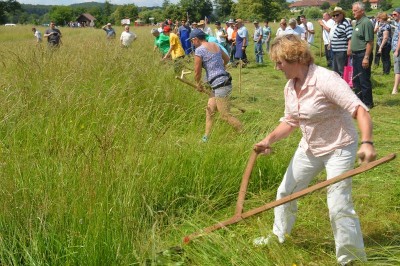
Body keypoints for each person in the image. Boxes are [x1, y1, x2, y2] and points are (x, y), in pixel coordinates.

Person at [253, 34, 376, 266]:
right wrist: (268, 139)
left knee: (338, 204)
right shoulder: (290, 87)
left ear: (295, 58)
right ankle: (279, 236)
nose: (277, 67)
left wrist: (367, 142)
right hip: (310, 147)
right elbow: (290, 122)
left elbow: (360, 110)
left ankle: (350, 259)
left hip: (339, 146)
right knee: (285, 192)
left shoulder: (325, 79)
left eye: (280, 62)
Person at [189, 29, 242, 142]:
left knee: (225, 115)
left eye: (192, 41)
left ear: (196, 39)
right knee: (210, 110)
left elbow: (197, 72)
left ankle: (244, 133)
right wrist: (219, 69)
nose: (192, 43)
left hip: (221, 85)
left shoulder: (199, 50)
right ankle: (206, 138)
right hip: (222, 81)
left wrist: (198, 84)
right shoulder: (215, 45)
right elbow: (227, 59)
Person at [351, 2, 374, 109]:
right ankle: (359, 100)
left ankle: (368, 102)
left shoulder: (366, 23)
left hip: (362, 54)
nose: (353, 12)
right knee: (356, 79)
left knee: (364, 79)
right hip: (355, 55)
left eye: (355, 10)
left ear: (362, 11)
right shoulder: (358, 22)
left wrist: (366, 57)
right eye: (353, 10)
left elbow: (369, 42)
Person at [330, 7, 353, 77]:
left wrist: (349, 49)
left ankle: (344, 84)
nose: (335, 17)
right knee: (335, 69)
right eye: (334, 15)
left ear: (342, 14)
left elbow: (350, 38)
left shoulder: (346, 24)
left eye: (337, 15)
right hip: (335, 51)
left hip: (341, 51)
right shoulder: (339, 24)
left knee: (342, 69)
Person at [391, 7, 400, 94]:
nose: (393, 16)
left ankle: (395, 89)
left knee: (397, 70)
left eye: (395, 14)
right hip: (396, 49)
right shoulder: (397, 24)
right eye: (392, 14)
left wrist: (397, 50)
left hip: (398, 50)